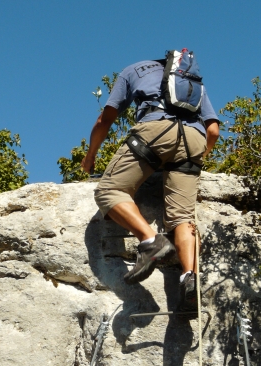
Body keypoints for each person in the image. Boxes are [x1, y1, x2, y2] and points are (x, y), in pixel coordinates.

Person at [81, 52, 219, 311]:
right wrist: (197, 157)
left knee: (110, 190)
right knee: (183, 217)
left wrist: (91, 156)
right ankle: (189, 277)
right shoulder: (190, 79)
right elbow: (213, 130)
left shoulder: (133, 70)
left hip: (155, 131)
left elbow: (106, 119)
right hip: (194, 141)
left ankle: (151, 240)